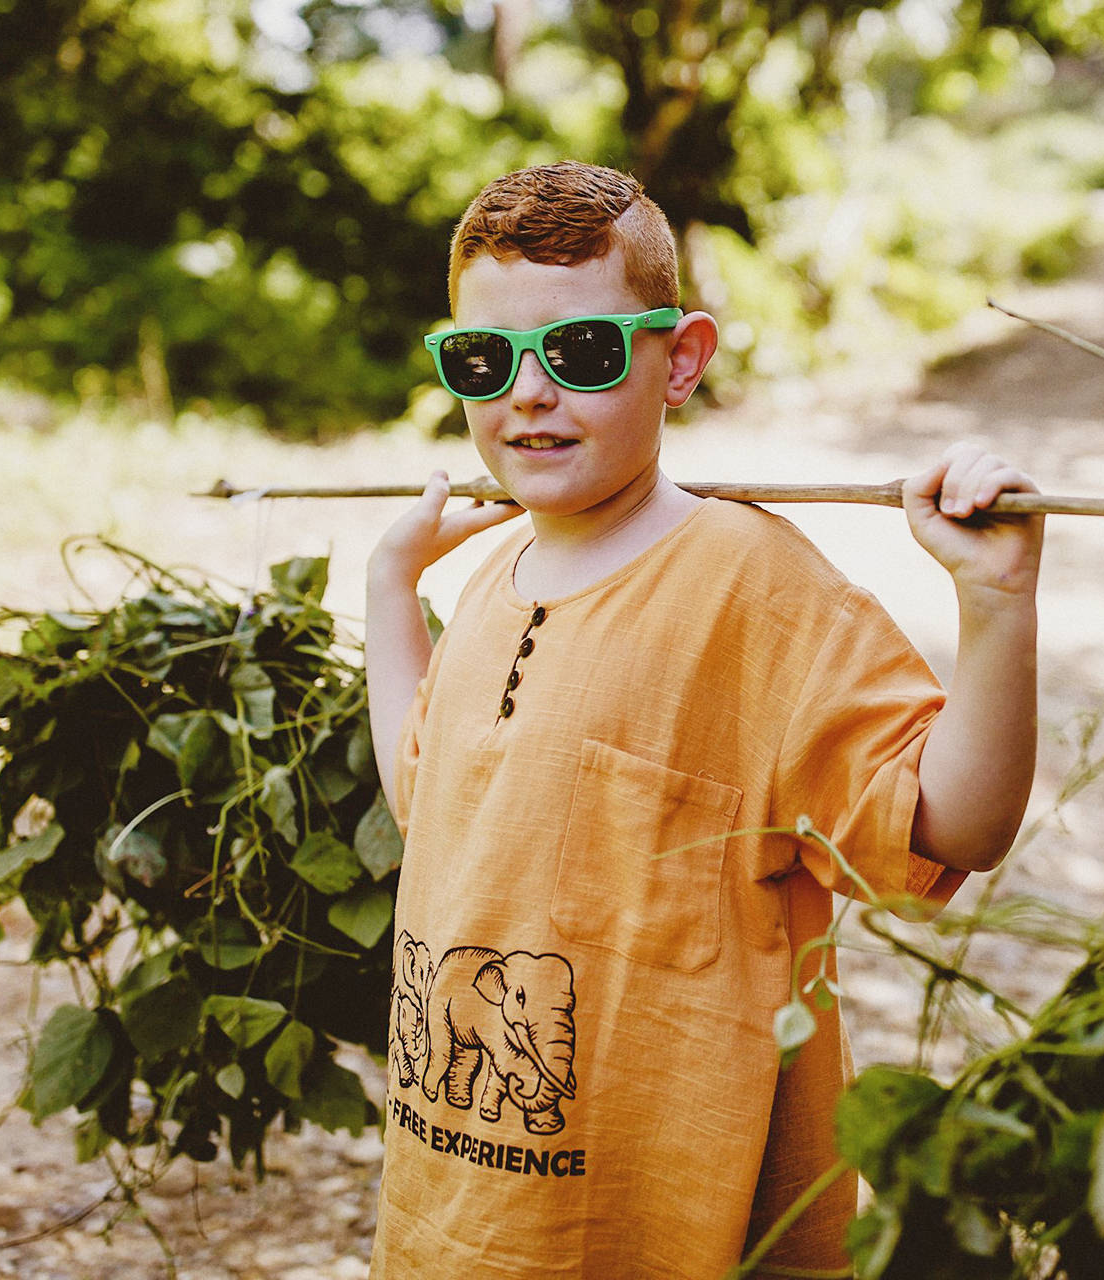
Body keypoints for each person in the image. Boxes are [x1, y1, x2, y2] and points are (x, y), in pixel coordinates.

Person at [363, 161, 1042, 1278]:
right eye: (485, 359)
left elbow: (952, 825)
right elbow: (426, 799)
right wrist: (394, 591)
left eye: (579, 353)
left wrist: (998, 604)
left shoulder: (753, 588)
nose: (528, 393)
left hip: (667, 1227)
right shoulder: (491, 581)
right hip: (458, 1219)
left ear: (678, 359)